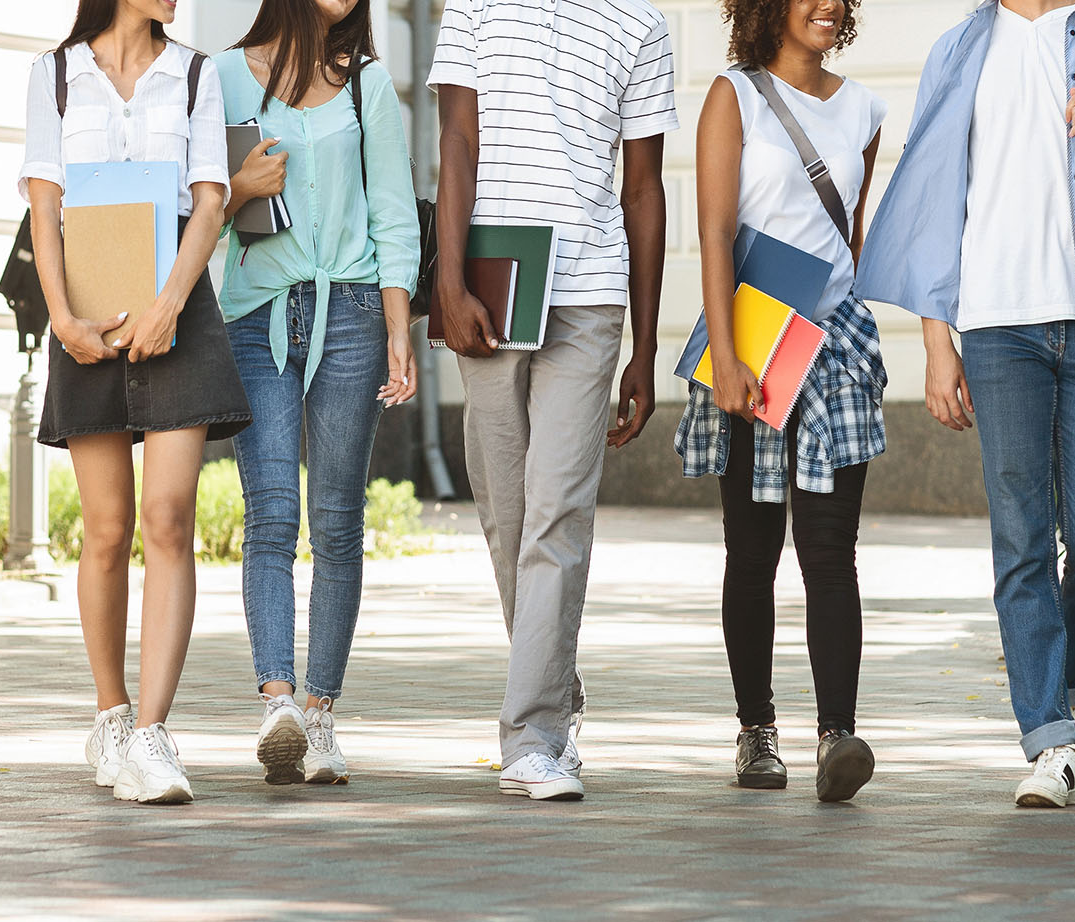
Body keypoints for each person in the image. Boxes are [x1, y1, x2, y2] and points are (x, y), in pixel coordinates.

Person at [855, 0, 1075, 807]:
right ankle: (1049, 737)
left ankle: (1059, 688)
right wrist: (936, 343)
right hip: (993, 329)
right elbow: (932, 206)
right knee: (1020, 540)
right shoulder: (959, 48)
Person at [428, 0, 677, 801]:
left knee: (557, 510)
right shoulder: (473, 5)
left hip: (590, 294)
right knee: (508, 513)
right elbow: (457, 139)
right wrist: (448, 276)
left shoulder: (641, 21)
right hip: (493, 283)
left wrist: (645, 343)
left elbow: (643, 188)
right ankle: (554, 691)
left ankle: (532, 736)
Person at [19, 0, 250, 804]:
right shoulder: (53, 76)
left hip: (177, 313)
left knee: (169, 518)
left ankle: (153, 735)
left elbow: (212, 202)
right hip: (84, 316)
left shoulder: (194, 75)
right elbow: (45, 210)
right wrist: (62, 319)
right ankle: (111, 715)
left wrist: (168, 305)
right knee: (109, 529)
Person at [676, 0, 889, 803]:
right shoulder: (733, 94)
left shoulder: (866, 107)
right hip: (755, 341)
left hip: (832, 344)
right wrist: (725, 354)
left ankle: (839, 734)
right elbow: (717, 229)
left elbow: (852, 233)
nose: (828, 4)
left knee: (831, 549)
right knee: (753, 548)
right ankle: (756, 731)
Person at [215, 0, 420, 787]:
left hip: (356, 311)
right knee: (269, 511)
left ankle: (323, 716)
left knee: (337, 521)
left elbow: (394, 215)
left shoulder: (369, 86)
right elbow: (202, 206)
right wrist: (239, 188)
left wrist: (400, 329)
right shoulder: (226, 77)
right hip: (254, 309)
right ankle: (278, 706)